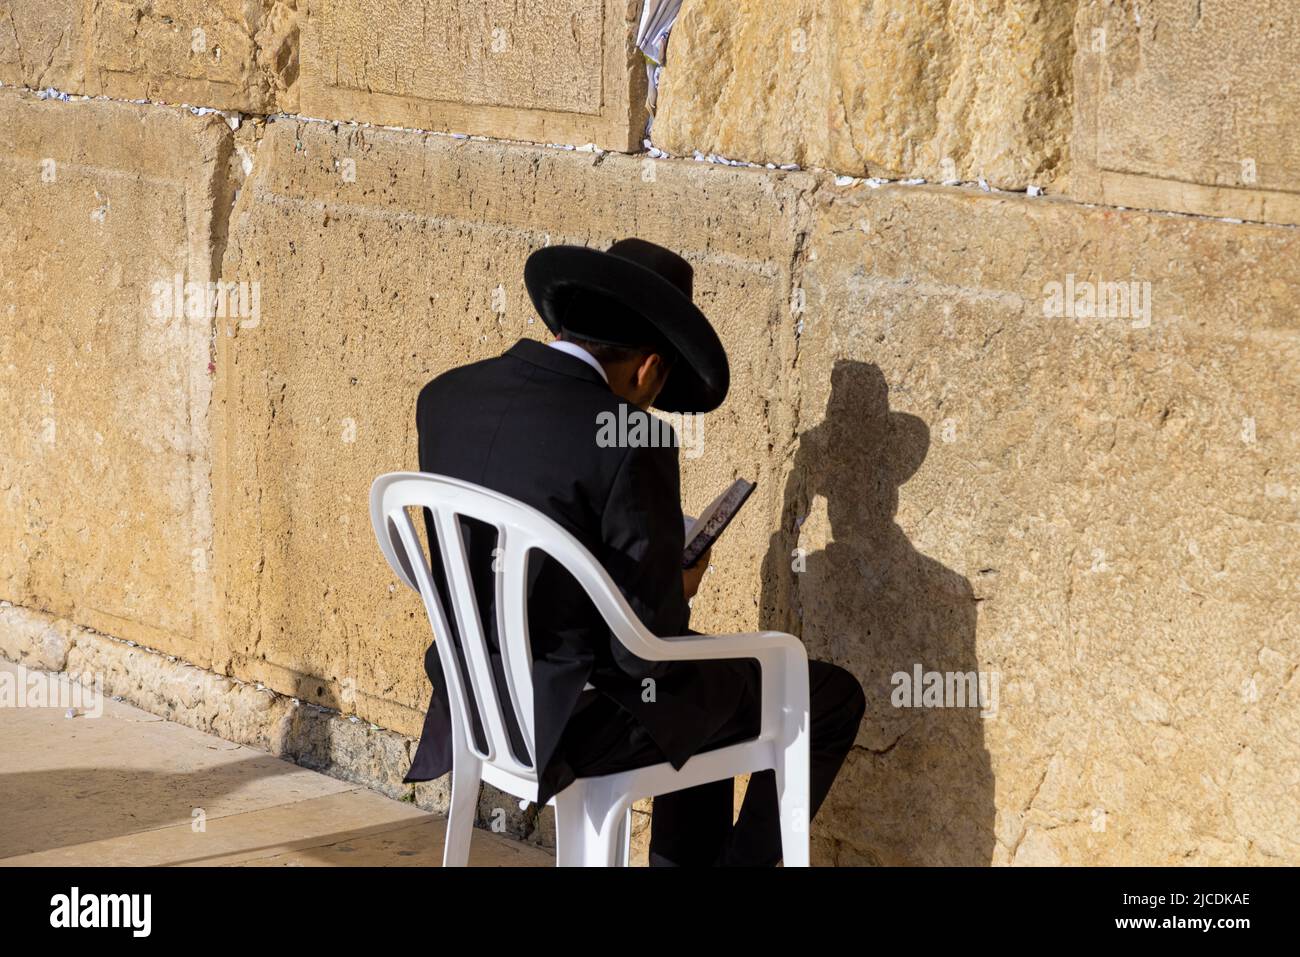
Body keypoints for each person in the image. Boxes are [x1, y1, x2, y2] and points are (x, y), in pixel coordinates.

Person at [405, 237, 866, 866]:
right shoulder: (636, 439)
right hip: (572, 716)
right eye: (659, 385)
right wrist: (680, 584)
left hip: (472, 695)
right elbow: (647, 649)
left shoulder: (446, 396)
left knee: (706, 687)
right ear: (648, 367)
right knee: (825, 693)